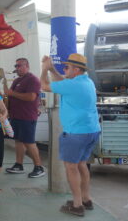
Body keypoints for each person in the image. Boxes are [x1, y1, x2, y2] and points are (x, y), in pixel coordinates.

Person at [40, 53, 100, 217]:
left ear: (76, 69)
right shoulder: (86, 81)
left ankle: (77, 204)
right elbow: (63, 83)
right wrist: (52, 68)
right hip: (91, 130)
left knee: (71, 168)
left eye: (67, 67)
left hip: (76, 133)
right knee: (82, 165)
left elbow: (44, 85)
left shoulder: (73, 85)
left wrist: (44, 70)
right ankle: (86, 199)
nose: (64, 69)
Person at [4, 58, 45, 178]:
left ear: (27, 66)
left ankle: (39, 167)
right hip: (16, 116)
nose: (16, 68)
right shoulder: (17, 80)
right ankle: (19, 164)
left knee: (29, 142)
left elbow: (31, 97)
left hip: (27, 116)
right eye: (15, 66)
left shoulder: (33, 80)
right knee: (18, 141)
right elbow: (9, 96)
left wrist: (11, 93)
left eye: (19, 66)